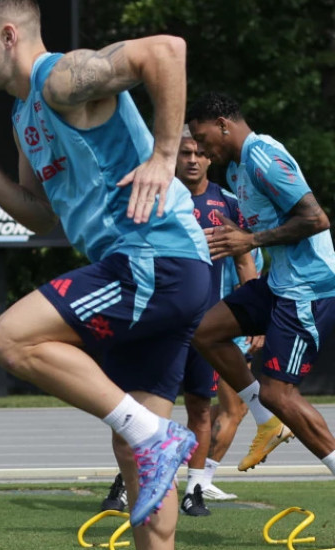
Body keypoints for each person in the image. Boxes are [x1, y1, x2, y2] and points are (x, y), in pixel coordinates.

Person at [0, 0, 211, 545]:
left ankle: (156, 437)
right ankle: (154, 443)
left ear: (8, 35)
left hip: (155, 257)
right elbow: (40, 215)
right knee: (134, 449)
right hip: (153, 269)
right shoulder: (23, 115)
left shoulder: (59, 78)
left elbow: (167, 51)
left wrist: (164, 156)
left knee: (9, 338)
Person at [99, 129, 260, 516]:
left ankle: (195, 489)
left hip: (206, 328)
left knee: (200, 409)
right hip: (158, 322)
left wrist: (257, 316)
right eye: (185, 151)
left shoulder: (228, 204)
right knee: (143, 406)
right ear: (173, 156)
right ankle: (127, 480)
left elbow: (244, 261)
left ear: (210, 159)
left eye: (200, 153)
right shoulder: (155, 194)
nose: (191, 159)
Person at [188, 91, 335, 478]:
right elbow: (267, 228)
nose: (201, 150)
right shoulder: (236, 170)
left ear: (223, 126)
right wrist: (238, 234)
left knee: (278, 393)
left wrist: (250, 241)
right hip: (278, 283)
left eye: (203, 139)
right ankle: (266, 420)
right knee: (204, 331)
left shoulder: (262, 157)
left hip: (308, 288)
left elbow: (316, 219)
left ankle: (275, 416)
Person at [202, 251, 264, 502]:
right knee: (234, 411)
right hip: (228, 334)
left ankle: (176, 467)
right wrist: (258, 322)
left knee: (210, 412)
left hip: (210, 329)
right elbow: (243, 284)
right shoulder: (244, 242)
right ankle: (202, 480)